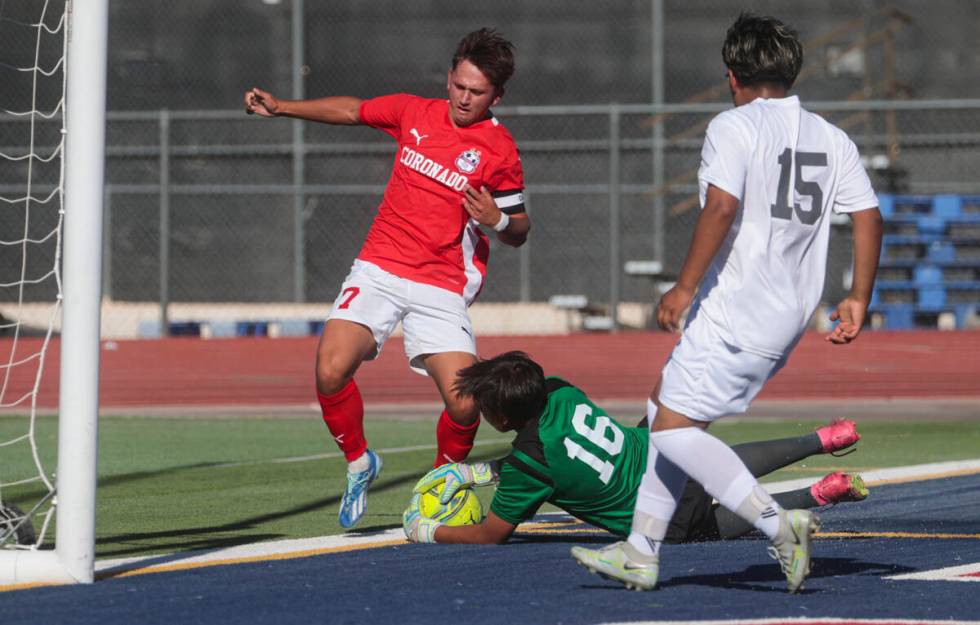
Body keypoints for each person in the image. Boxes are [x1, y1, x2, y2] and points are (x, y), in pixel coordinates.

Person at [570, 13, 883, 592]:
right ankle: (640, 550)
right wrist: (859, 296)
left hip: (738, 308)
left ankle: (775, 523)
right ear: (790, 71)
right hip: (785, 313)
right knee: (664, 404)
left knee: (667, 432)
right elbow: (867, 214)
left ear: (732, 76)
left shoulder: (734, 127)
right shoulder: (830, 136)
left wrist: (684, 286)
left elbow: (720, 207)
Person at [243, 28, 530, 529]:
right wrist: (281, 107)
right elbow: (352, 110)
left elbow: (520, 230)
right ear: (449, 77)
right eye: (459, 85)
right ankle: (360, 462)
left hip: (440, 287)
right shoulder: (412, 112)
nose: (464, 98)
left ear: (496, 96)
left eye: (476, 92)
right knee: (330, 370)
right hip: (379, 268)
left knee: (465, 405)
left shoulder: (499, 149)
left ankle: (441, 483)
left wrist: (497, 220)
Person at [401, 351, 867, 545]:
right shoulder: (560, 390)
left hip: (661, 512)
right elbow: (555, 448)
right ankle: (823, 439)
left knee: (717, 524)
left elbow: (491, 534)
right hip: (659, 451)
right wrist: (480, 473)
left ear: (501, 417)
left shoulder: (529, 463)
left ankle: (820, 493)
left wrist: (427, 531)